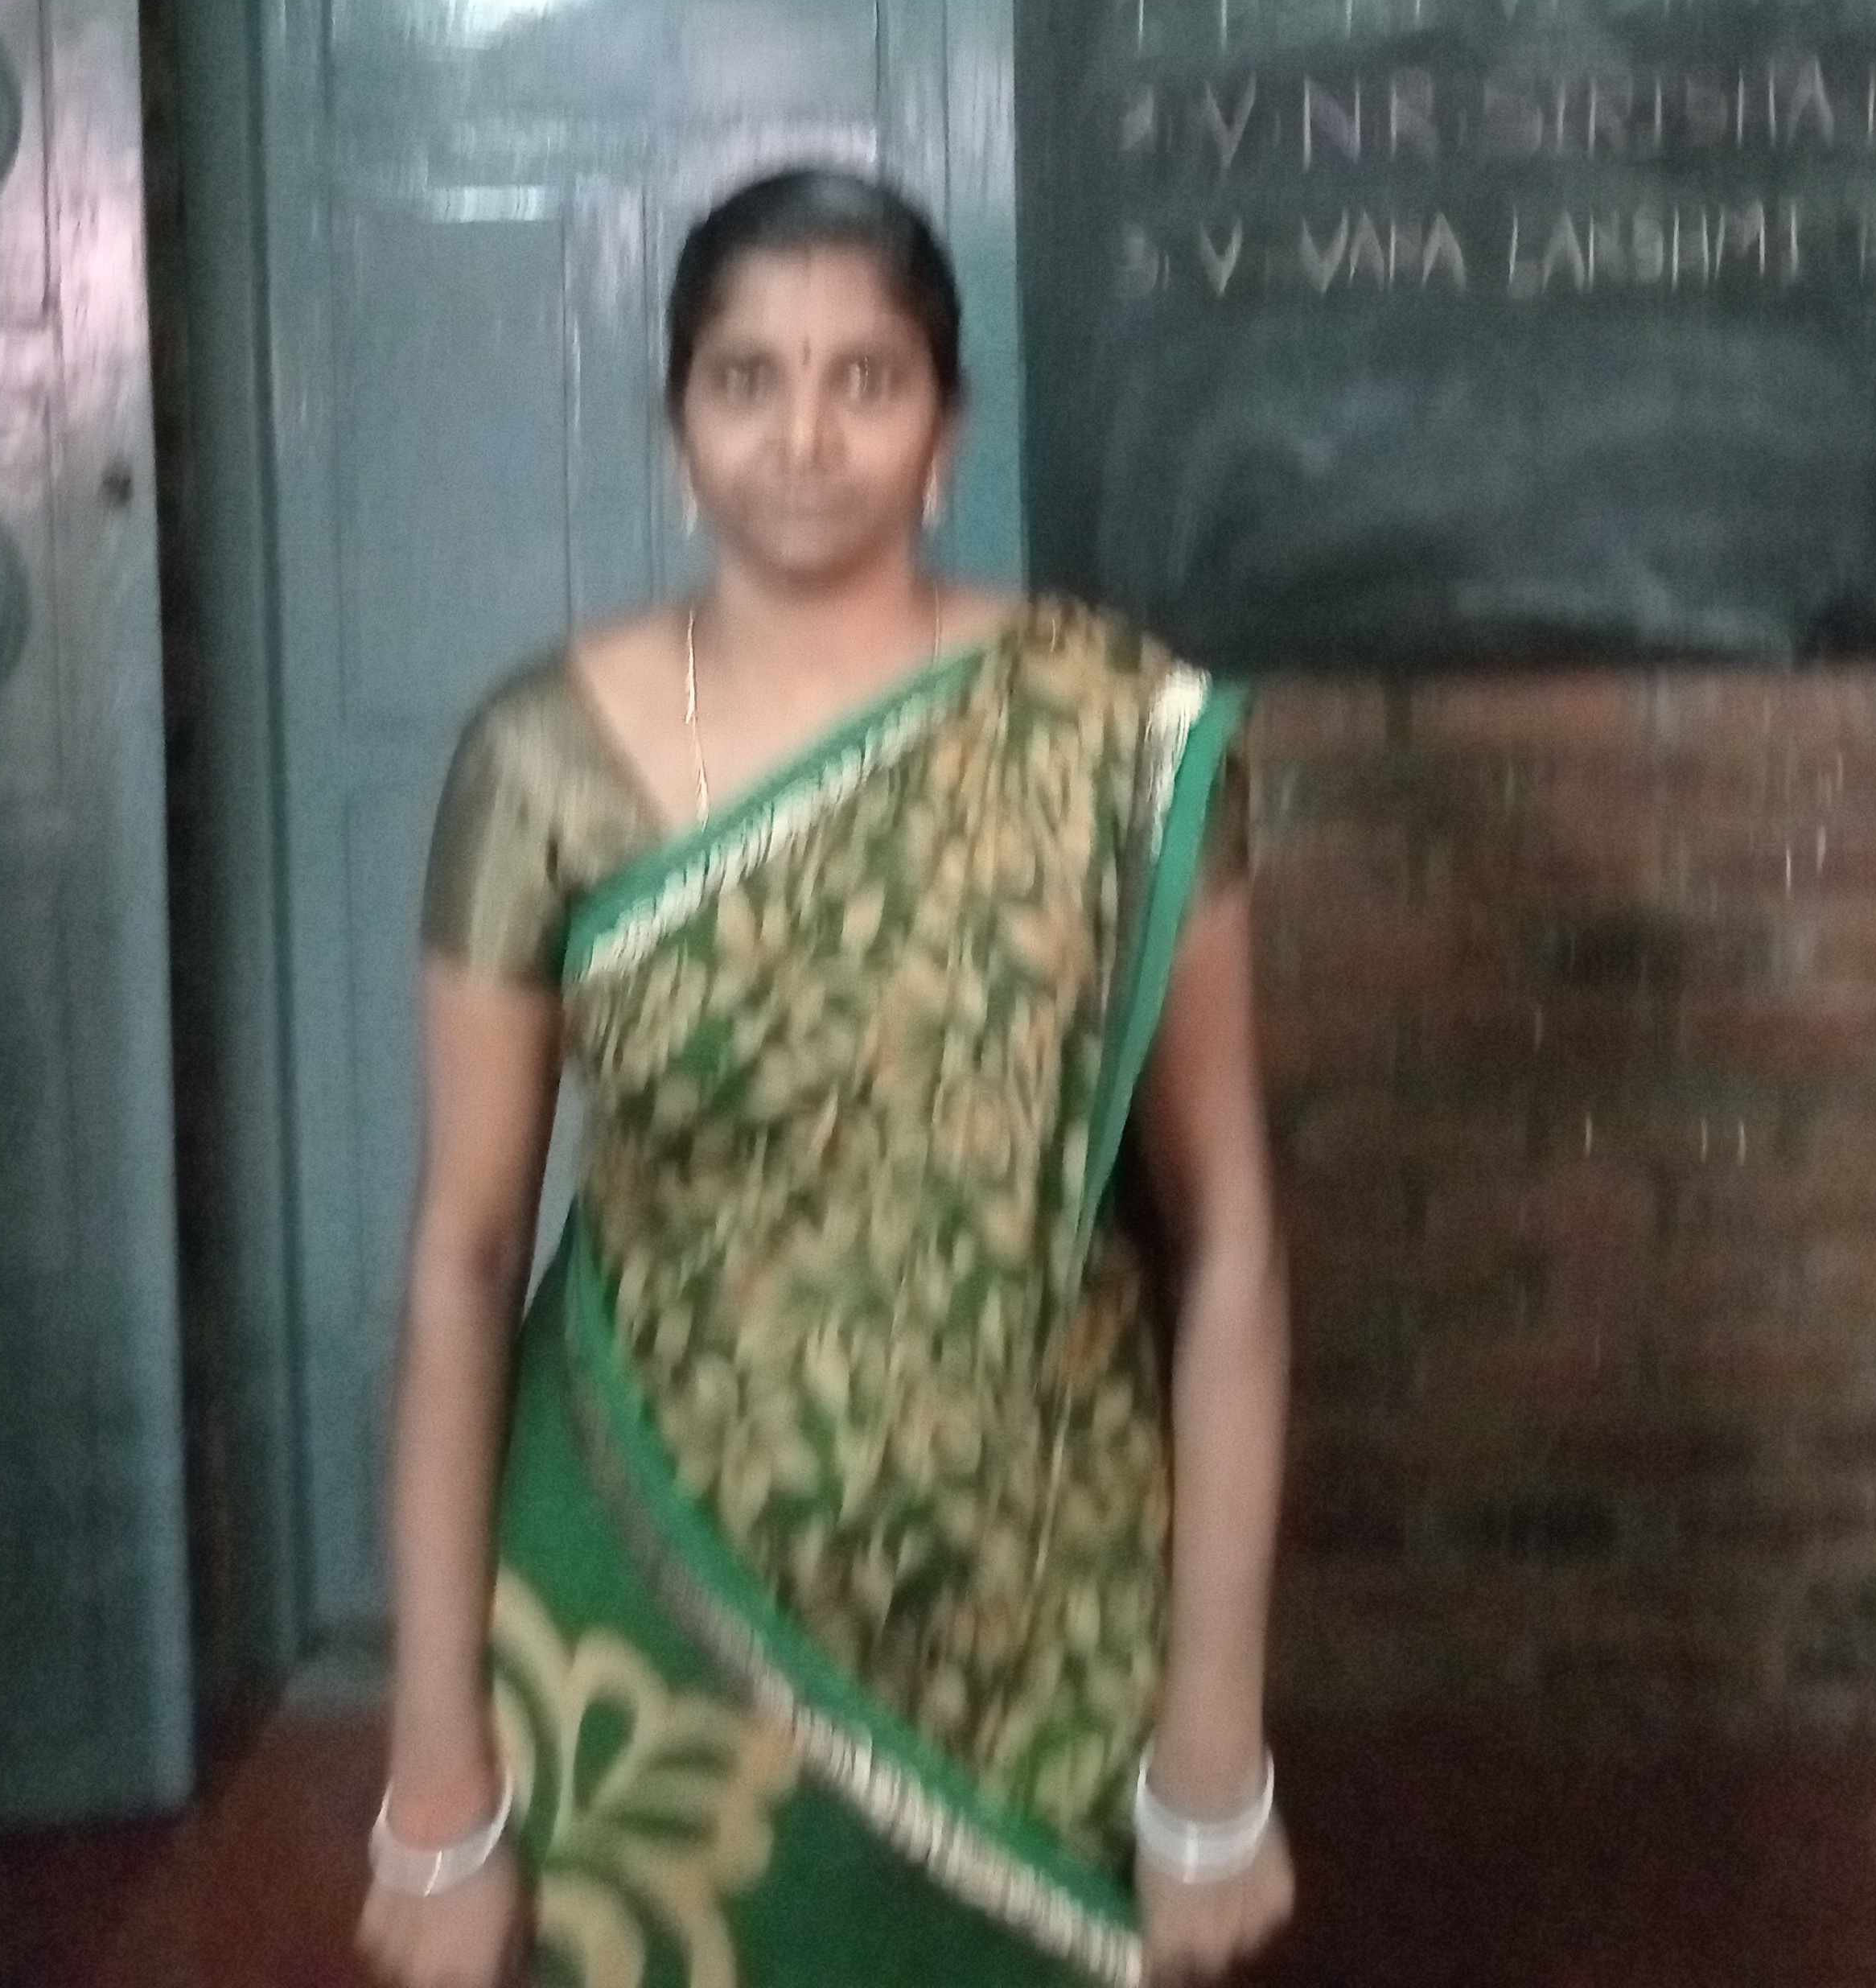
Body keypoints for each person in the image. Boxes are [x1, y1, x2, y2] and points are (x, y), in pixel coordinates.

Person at [359, 170, 1294, 1988]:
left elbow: (1232, 1239)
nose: (802, 435)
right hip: (647, 1588)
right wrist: (434, 1775)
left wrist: (1210, 1752)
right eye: (745, 379)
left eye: (864, 379)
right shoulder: (539, 761)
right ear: (676, 432)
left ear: (946, 432)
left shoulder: (1113, 731)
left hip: (1043, 1604)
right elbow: (460, 1261)